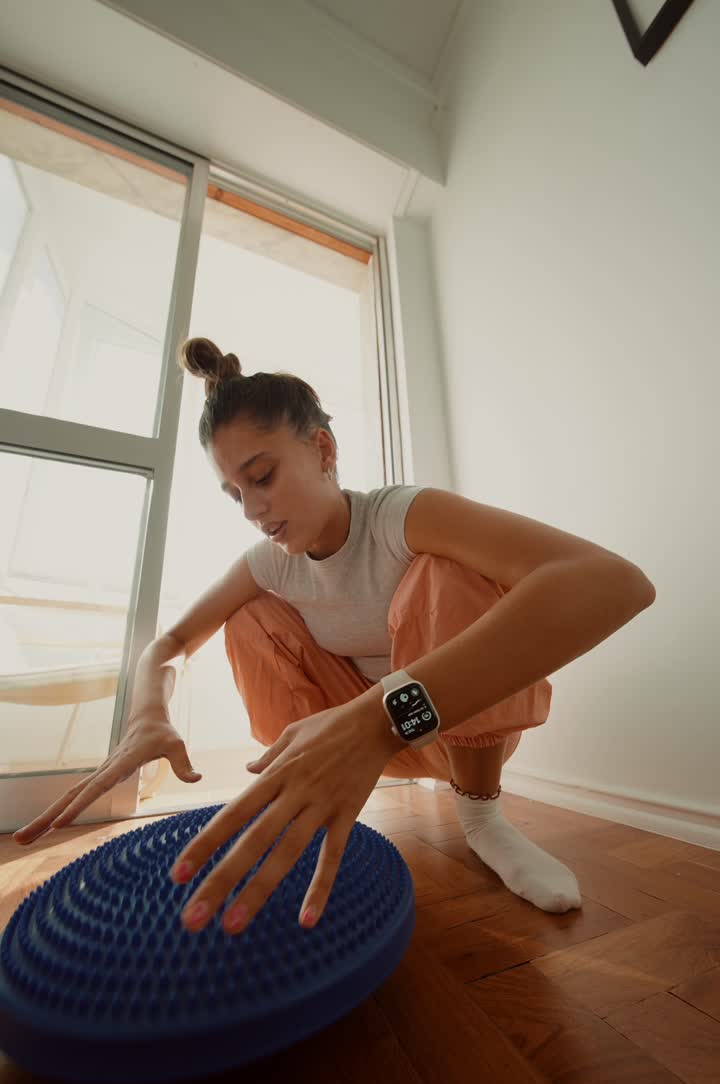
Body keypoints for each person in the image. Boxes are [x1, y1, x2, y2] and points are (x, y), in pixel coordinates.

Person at [15, 338, 656, 938]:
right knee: (250, 616)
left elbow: (612, 583)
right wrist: (147, 713)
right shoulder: (269, 562)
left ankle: (482, 817)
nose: (251, 509)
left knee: (442, 572)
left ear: (323, 451)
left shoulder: (399, 516)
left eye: (262, 477)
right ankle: (313, 796)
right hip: (362, 742)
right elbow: (172, 642)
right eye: (233, 492)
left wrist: (376, 720)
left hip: (458, 725)